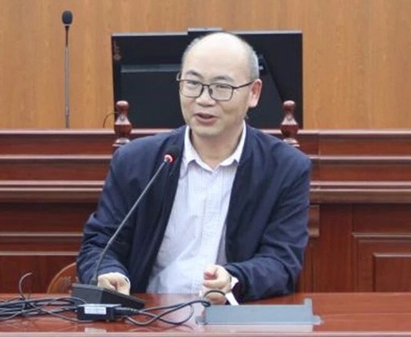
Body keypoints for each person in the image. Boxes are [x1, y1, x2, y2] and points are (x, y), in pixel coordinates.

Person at [76, 31, 311, 303]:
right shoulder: (137, 161)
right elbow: (100, 244)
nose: (204, 99)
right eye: (193, 83)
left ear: (254, 93)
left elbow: (281, 262)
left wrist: (233, 279)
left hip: (232, 319)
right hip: (148, 317)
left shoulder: (285, 169)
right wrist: (108, 272)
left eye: (221, 87)